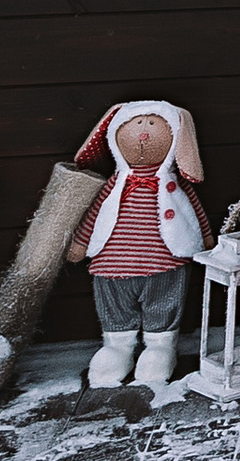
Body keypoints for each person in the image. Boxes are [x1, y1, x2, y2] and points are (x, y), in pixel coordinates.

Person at [67, 97, 209, 390]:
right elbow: (94, 213)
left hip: (165, 261)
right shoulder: (113, 184)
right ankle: (116, 348)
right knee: (116, 310)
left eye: (154, 125)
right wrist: (80, 244)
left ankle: (160, 348)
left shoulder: (174, 184)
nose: (143, 134)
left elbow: (194, 212)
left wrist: (206, 241)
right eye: (137, 125)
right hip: (110, 264)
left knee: (163, 305)